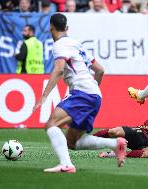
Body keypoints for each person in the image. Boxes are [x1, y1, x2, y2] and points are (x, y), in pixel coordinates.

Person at [32, 13, 127, 173]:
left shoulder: (59, 45)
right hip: (94, 95)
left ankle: (66, 165)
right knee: (72, 142)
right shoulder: (76, 44)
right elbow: (100, 70)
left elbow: (59, 69)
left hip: (83, 94)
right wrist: (92, 91)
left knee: (51, 124)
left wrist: (44, 96)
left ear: (51, 28)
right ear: (66, 28)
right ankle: (115, 144)